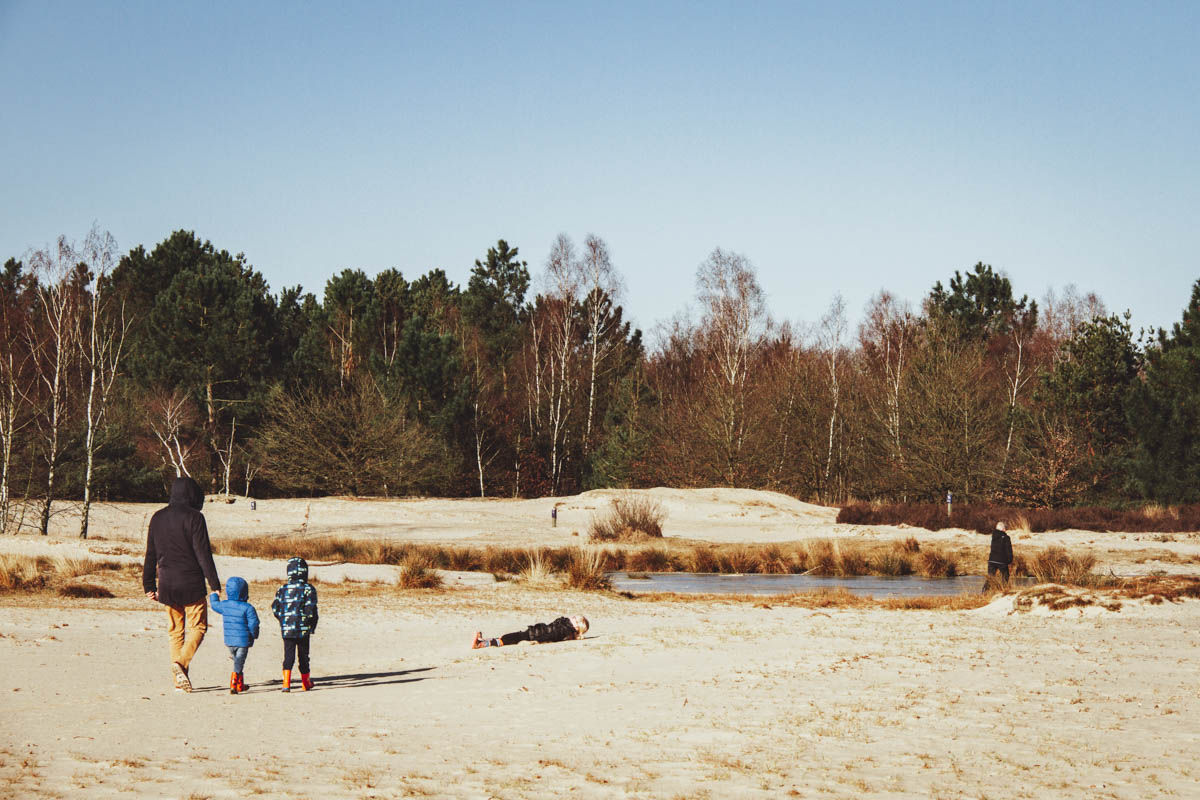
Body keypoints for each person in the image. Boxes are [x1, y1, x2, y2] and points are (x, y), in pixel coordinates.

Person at [142, 476, 221, 693]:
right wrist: (214, 583)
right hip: (191, 583)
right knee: (199, 627)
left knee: (176, 632)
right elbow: (203, 554)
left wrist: (148, 584)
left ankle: (179, 682)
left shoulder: (157, 517)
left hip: (167, 583)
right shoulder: (195, 517)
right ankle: (181, 663)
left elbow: (151, 553)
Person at [271, 557, 318, 692]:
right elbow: (311, 610)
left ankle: (286, 683)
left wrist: (283, 620)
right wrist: (311, 624)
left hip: (287, 629)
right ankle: (305, 682)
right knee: (303, 656)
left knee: (288, 655)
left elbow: (275, 608)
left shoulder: (282, 589)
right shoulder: (308, 589)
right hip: (303, 629)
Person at [210, 576, 260, 695]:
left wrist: (214, 594)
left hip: (229, 641)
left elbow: (214, 605)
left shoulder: (225, 605)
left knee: (238, 661)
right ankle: (233, 684)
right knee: (239, 663)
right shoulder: (248, 608)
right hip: (243, 642)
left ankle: (240, 684)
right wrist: (254, 636)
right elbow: (254, 624)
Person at [471, 615, 589, 649]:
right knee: (509, 636)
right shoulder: (564, 624)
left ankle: (482, 644)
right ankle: (484, 640)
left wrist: (536, 641)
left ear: (577, 627)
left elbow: (551, 635)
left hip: (535, 635)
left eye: (575, 619)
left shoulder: (564, 629)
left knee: (509, 639)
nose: (572, 617)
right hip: (535, 631)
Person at [982, 520, 1014, 587]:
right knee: (1006, 576)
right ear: (1003, 529)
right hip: (1002, 561)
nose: (1006, 530)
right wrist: (1009, 560)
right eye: (1005, 528)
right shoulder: (1006, 538)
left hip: (992, 560)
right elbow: (1009, 550)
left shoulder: (994, 536)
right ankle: (1003, 589)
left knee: (990, 578)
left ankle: (984, 592)